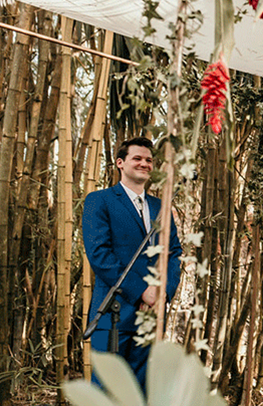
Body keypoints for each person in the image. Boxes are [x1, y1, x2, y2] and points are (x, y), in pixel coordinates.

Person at [82, 136, 182, 391]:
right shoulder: (99, 201)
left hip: (150, 315)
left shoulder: (161, 207)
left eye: (149, 160)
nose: (144, 164)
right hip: (113, 312)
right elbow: (100, 255)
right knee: (106, 388)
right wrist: (142, 291)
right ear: (120, 163)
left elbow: (173, 253)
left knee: (140, 389)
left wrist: (162, 294)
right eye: (137, 158)